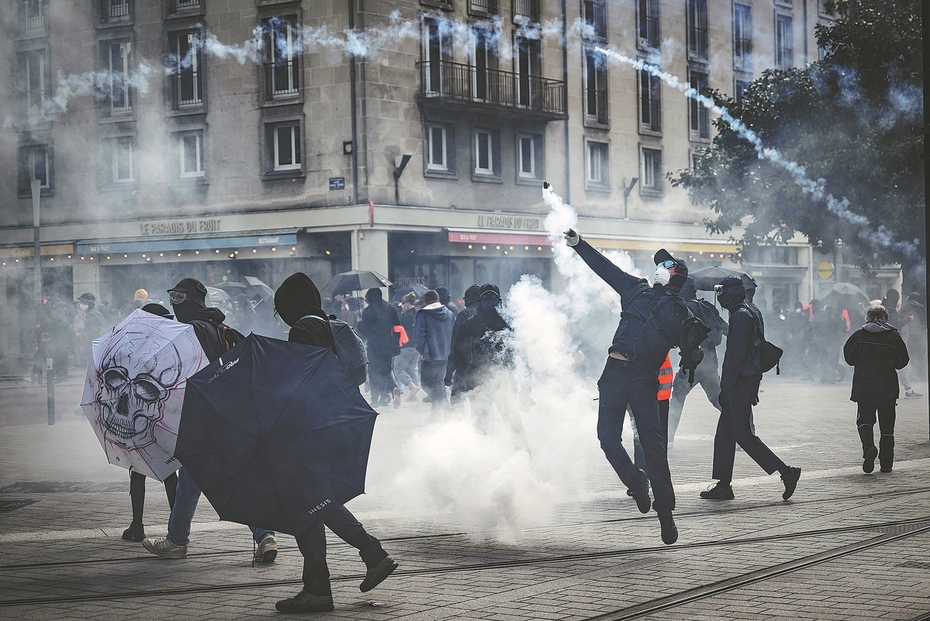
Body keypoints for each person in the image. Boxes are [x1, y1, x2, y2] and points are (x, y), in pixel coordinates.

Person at [565, 229, 708, 545]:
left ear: (676, 277)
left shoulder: (680, 313)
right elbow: (605, 269)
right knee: (606, 438)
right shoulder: (636, 290)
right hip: (614, 375)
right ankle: (636, 483)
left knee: (654, 449)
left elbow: (691, 351)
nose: (659, 268)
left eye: (666, 265)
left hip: (644, 381)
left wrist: (693, 349)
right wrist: (578, 243)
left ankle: (666, 515)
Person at [272, 272, 398, 613]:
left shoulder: (304, 328)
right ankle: (334, 577)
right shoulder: (326, 324)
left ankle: (345, 570)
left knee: (308, 503)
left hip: (310, 428)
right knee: (313, 502)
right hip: (329, 424)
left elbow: (303, 379)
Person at [142, 278, 278, 562]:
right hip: (230, 416)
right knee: (226, 479)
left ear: (192, 300)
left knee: (191, 481)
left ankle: (177, 540)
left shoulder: (190, 331)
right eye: (172, 297)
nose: (174, 303)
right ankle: (264, 534)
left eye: (179, 298)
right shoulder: (223, 329)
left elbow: (175, 370)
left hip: (202, 418)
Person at [701, 276, 801, 502]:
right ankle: (724, 485)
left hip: (739, 382)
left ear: (731, 293)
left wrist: (725, 387)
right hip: (746, 380)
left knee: (742, 435)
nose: (719, 296)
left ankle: (787, 472)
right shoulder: (750, 311)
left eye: (722, 291)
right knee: (725, 434)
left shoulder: (740, 316)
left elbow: (735, 355)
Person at [121, 303, 180, 542]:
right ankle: (177, 529)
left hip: (137, 416)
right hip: (164, 416)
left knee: (137, 472)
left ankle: (137, 525)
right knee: (168, 471)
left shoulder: (133, 347)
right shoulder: (171, 346)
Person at [843, 305, 909, 473]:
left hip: (864, 385)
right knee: (887, 426)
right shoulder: (893, 336)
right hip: (887, 387)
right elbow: (902, 361)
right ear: (885, 318)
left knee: (864, 420)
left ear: (868, 317)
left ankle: (868, 448)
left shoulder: (859, 335)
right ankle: (886, 463)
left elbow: (849, 357)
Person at [667, 277, 726, 445]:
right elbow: (726, 328)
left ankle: (667, 438)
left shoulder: (684, 308)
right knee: (719, 399)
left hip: (692, 363)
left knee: (677, 398)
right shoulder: (708, 306)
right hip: (710, 363)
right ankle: (743, 429)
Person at [357, 288, 401, 407]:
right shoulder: (390, 308)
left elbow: (365, 330)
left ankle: (376, 398)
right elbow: (397, 326)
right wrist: (396, 342)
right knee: (385, 371)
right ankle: (392, 390)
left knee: (373, 372)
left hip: (374, 346)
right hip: (388, 345)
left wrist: (359, 322)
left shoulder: (368, 311)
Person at [414, 289, 455, 413]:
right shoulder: (449, 314)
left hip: (429, 356)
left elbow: (419, 336)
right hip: (446, 355)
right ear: (438, 300)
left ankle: (443, 405)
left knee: (427, 384)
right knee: (438, 383)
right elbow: (454, 333)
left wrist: (422, 351)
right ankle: (437, 413)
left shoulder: (423, 315)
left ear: (425, 301)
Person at [447, 284, 482, 404]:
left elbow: (455, 344)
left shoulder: (465, 315)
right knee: (481, 404)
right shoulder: (490, 314)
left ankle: (457, 422)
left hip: (465, 366)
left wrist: (449, 371)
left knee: (457, 401)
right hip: (485, 367)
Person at [392, 292, 420, 408]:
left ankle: (411, 386)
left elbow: (397, 322)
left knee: (398, 368)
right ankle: (413, 394)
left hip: (406, 344)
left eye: (403, 303)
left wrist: (398, 309)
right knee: (412, 367)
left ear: (407, 304)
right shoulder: (418, 313)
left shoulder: (406, 316)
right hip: (416, 345)